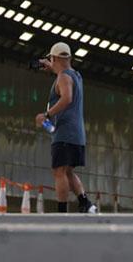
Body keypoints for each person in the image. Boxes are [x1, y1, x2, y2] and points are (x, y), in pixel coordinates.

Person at [35, 42, 97, 213]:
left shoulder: (63, 78)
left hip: (65, 133)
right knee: (68, 171)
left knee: (59, 171)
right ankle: (86, 203)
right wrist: (52, 67)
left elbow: (67, 97)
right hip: (77, 134)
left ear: (54, 58)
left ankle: (62, 211)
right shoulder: (76, 75)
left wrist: (46, 115)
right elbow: (65, 80)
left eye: (51, 59)